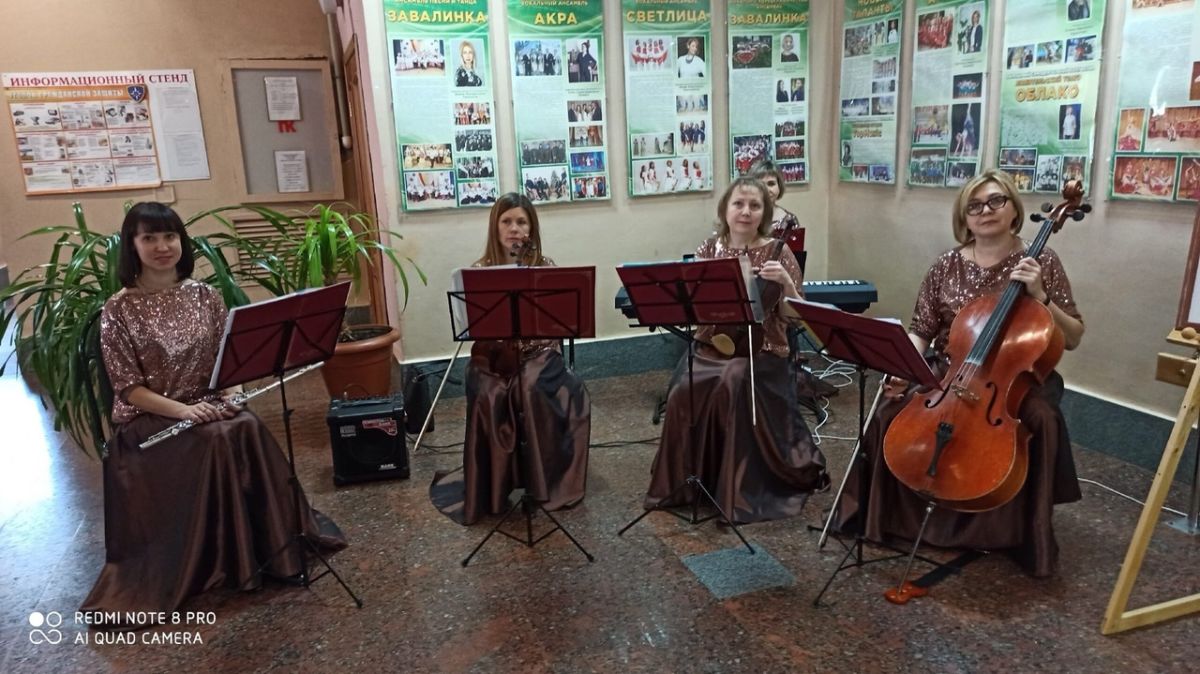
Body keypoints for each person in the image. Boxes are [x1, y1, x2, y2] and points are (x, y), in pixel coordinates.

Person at [80, 203, 346, 630]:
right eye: (149, 238)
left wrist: (233, 395)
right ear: (132, 246)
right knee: (218, 439)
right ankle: (228, 564)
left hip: (207, 405)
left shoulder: (205, 295)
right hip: (151, 419)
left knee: (246, 425)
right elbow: (129, 389)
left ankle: (271, 550)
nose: (162, 247)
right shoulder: (118, 310)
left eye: (169, 236)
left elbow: (229, 359)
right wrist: (185, 410)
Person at [831, 169, 1085, 577]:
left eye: (996, 201)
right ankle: (887, 516)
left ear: (1014, 209)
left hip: (1012, 375)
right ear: (964, 216)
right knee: (890, 411)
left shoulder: (1042, 261)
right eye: (974, 206)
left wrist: (1041, 295)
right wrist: (901, 369)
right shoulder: (946, 264)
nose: (985, 211)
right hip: (951, 368)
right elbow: (922, 329)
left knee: (1042, 418)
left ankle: (1025, 534)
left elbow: (1071, 336)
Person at [643, 178, 828, 524]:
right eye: (738, 204)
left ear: (765, 213)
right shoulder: (709, 248)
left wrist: (787, 284)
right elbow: (696, 308)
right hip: (713, 345)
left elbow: (794, 317)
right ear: (725, 210)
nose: (745, 212)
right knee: (682, 391)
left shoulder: (779, 252)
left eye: (754, 206)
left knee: (733, 380)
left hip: (763, 350)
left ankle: (736, 488)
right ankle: (688, 483)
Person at [430, 194, 591, 525]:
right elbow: (474, 329)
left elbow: (554, 328)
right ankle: (494, 487)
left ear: (531, 228)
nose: (514, 229)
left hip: (539, 352)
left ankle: (542, 483)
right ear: (496, 226)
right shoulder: (478, 272)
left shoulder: (544, 267)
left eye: (521, 222)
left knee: (530, 385)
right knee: (490, 390)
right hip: (494, 356)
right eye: (507, 221)